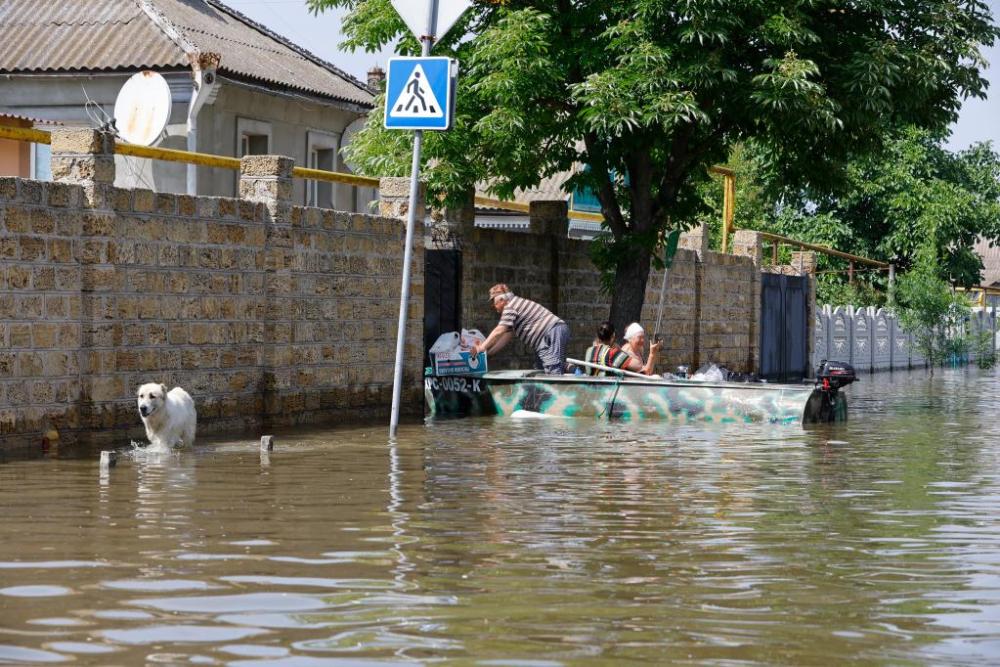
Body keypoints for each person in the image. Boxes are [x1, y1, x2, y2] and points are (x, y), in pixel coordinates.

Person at [471, 284, 570, 375]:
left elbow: (499, 330)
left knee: (552, 369)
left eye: (494, 303)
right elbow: (506, 336)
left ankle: (556, 391)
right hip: (550, 333)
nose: (494, 307)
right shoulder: (515, 304)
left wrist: (482, 347)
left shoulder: (510, 307)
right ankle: (569, 370)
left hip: (550, 332)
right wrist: (489, 353)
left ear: (501, 300)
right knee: (542, 368)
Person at [584, 321, 660, 376]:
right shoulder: (614, 353)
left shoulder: (589, 350)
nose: (642, 340)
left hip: (591, 389)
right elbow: (646, 371)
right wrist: (652, 353)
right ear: (613, 336)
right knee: (656, 377)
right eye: (639, 337)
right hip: (607, 391)